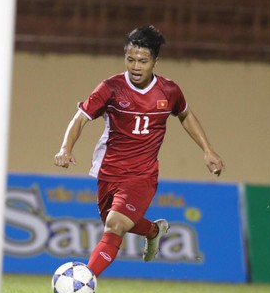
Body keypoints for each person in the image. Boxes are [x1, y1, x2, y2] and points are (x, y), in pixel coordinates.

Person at [53, 25, 224, 277]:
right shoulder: (110, 88)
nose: (135, 66)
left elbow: (186, 116)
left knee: (114, 225)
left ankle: (84, 280)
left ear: (155, 61)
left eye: (143, 61)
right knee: (115, 222)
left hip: (142, 175)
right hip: (109, 171)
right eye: (130, 59)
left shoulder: (169, 91)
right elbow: (79, 119)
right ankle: (154, 231)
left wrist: (208, 150)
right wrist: (65, 148)